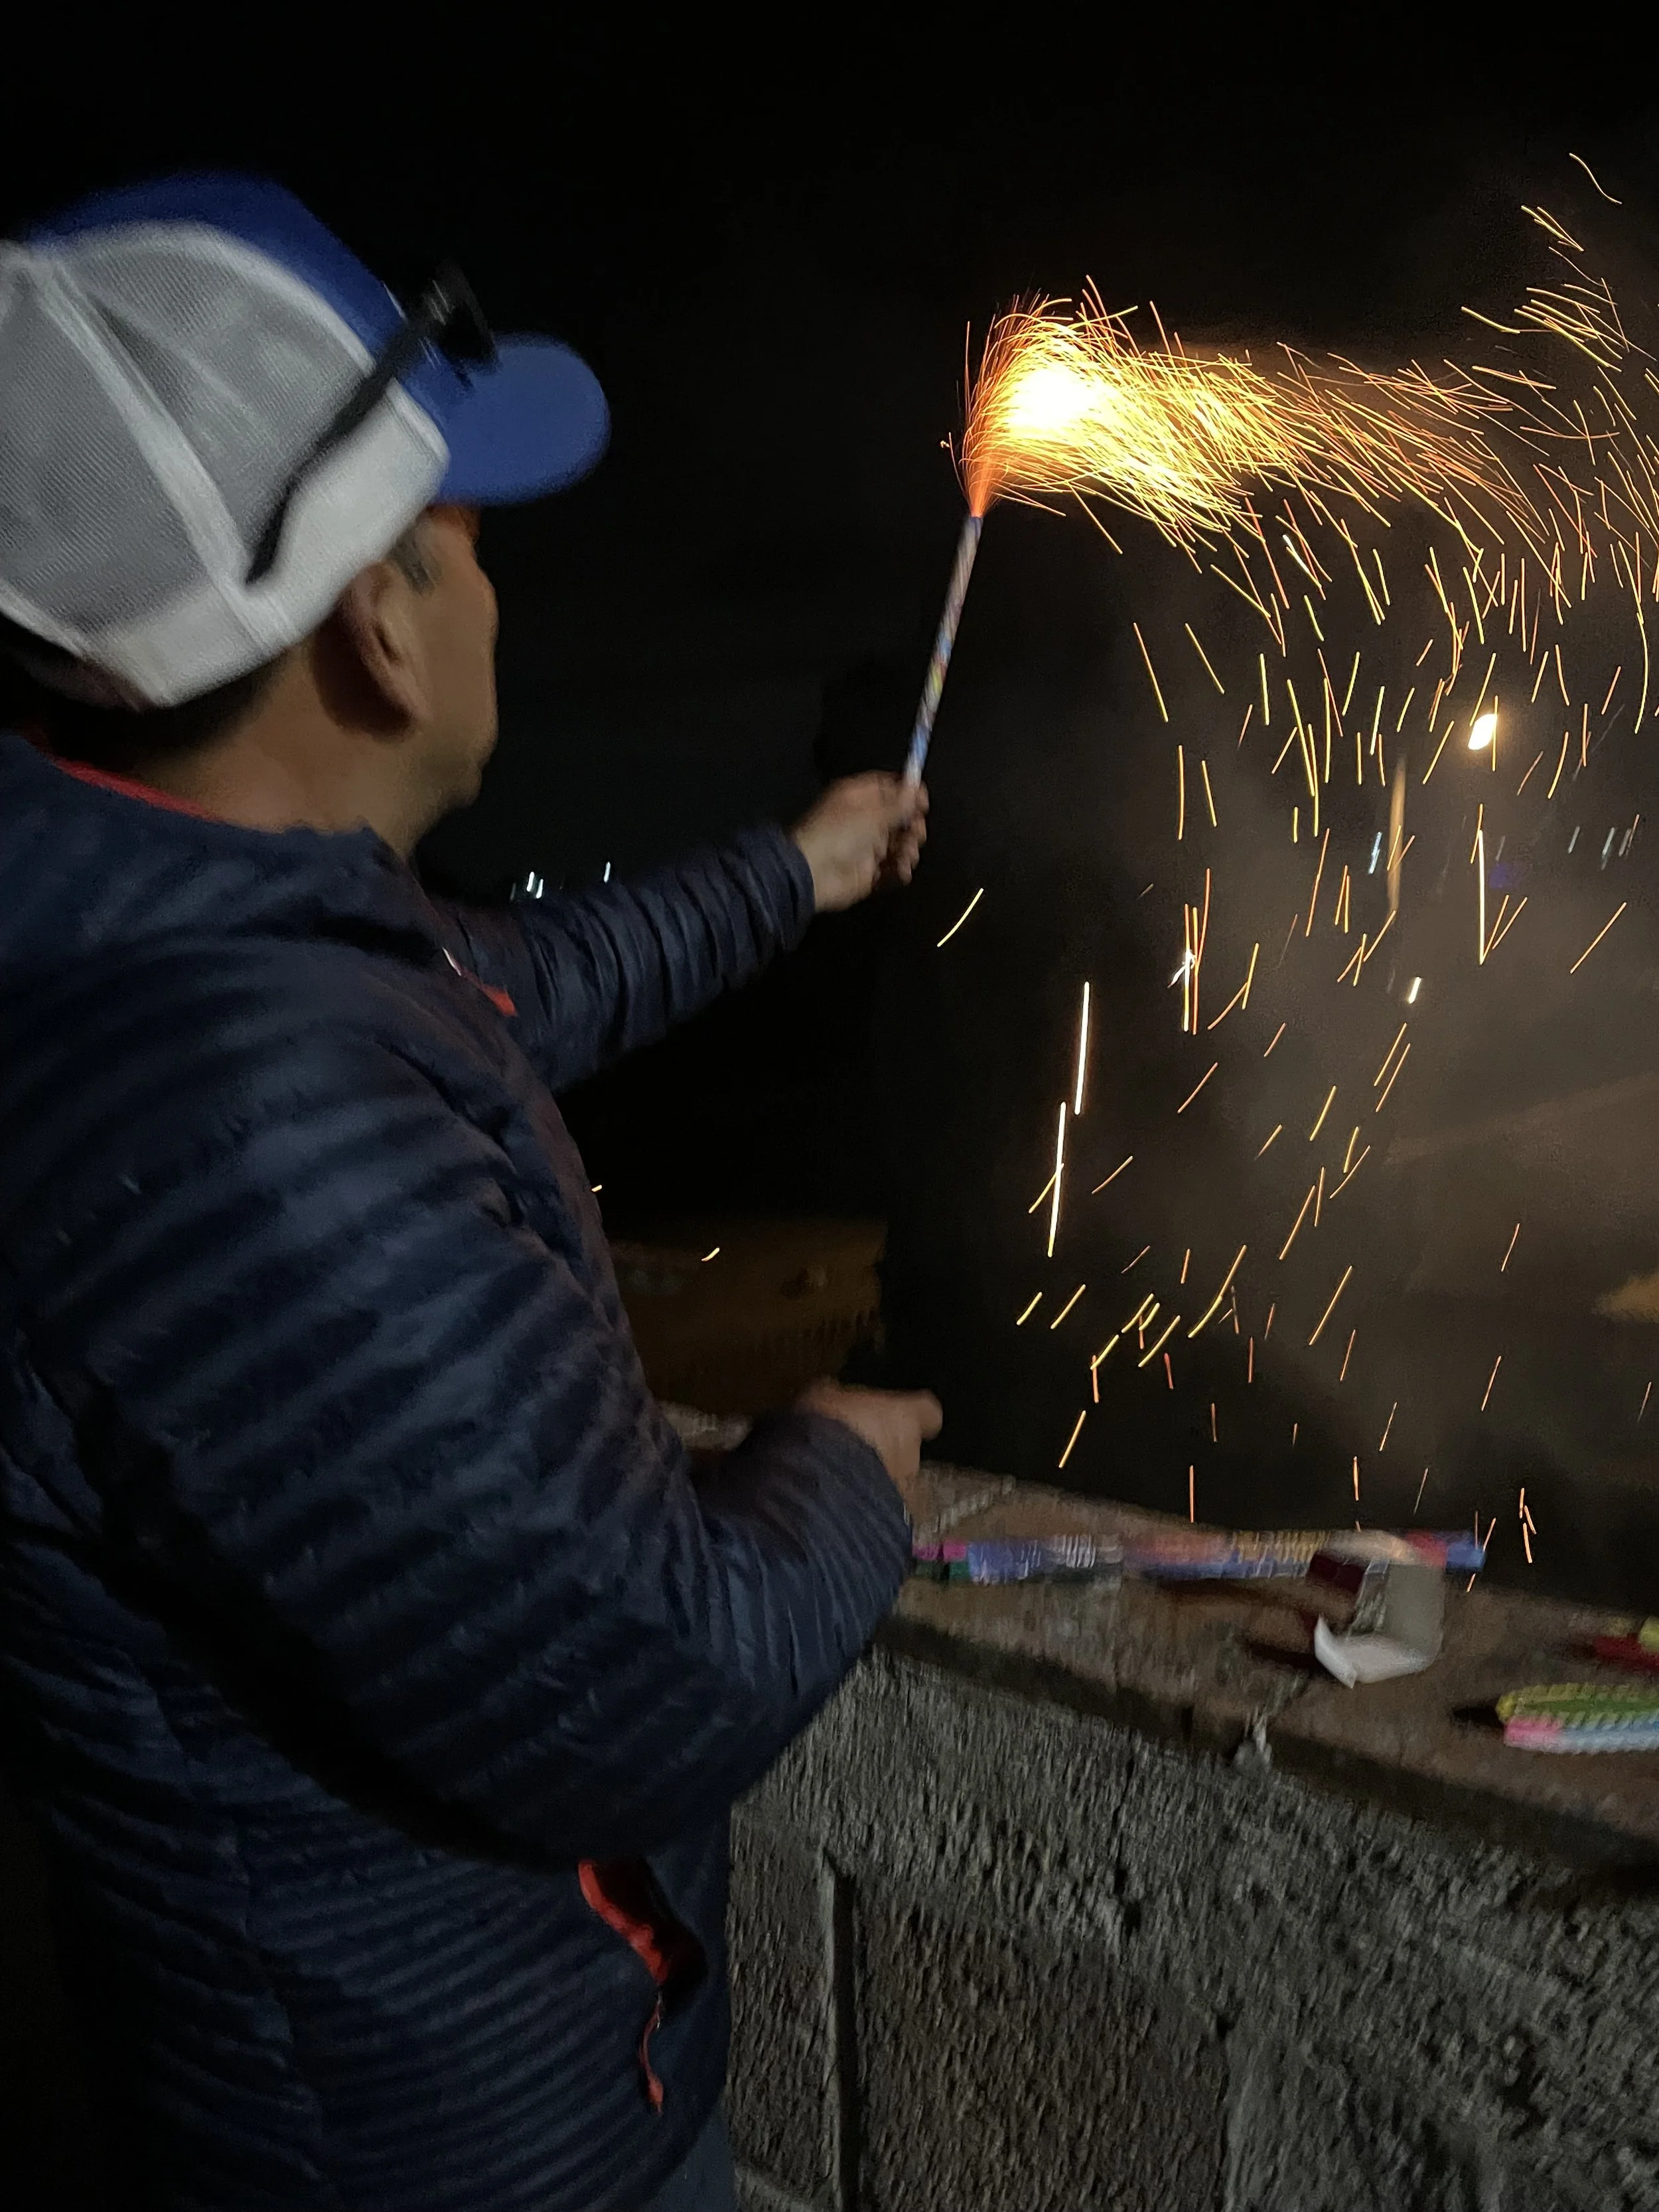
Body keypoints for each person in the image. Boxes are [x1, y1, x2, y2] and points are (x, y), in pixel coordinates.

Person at [0, 174, 941, 2212]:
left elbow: (516, 983)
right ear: (377, 618)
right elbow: (644, 1673)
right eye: (476, 540)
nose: (502, 597)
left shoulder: (197, 931)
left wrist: (796, 869)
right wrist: (840, 1469)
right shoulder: (233, 1108)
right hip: (453, 2152)